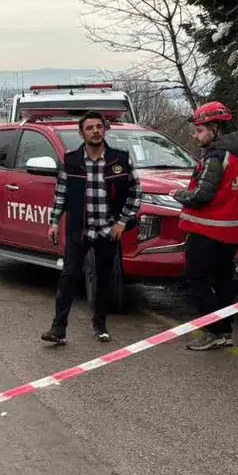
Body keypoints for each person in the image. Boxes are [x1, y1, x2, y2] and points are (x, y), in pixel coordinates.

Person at [41, 111, 141, 345]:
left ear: (104, 130)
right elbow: (61, 194)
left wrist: (122, 222)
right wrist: (54, 223)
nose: (96, 131)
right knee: (68, 277)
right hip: (80, 231)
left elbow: (136, 192)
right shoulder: (71, 160)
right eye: (90, 128)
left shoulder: (120, 159)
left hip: (108, 231)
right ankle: (58, 328)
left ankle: (100, 325)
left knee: (104, 280)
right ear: (81, 133)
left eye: (99, 127)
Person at [174, 101, 238, 351]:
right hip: (230, 231)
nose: (195, 136)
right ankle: (225, 331)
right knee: (224, 281)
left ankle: (214, 330)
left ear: (215, 128)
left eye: (199, 130)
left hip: (207, 231)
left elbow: (202, 195)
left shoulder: (215, 156)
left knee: (197, 280)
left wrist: (179, 195)